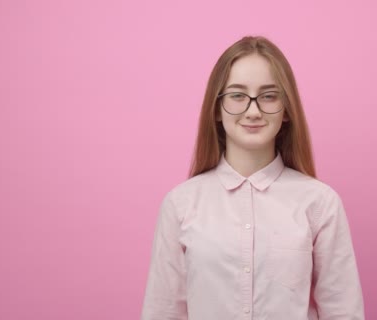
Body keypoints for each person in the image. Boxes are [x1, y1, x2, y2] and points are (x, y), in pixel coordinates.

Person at [141, 35, 364, 320]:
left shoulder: (320, 203)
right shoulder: (181, 204)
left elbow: (343, 311)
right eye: (237, 95)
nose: (254, 110)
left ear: (286, 109)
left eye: (269, 96)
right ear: (217, 109)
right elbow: (163, 312)